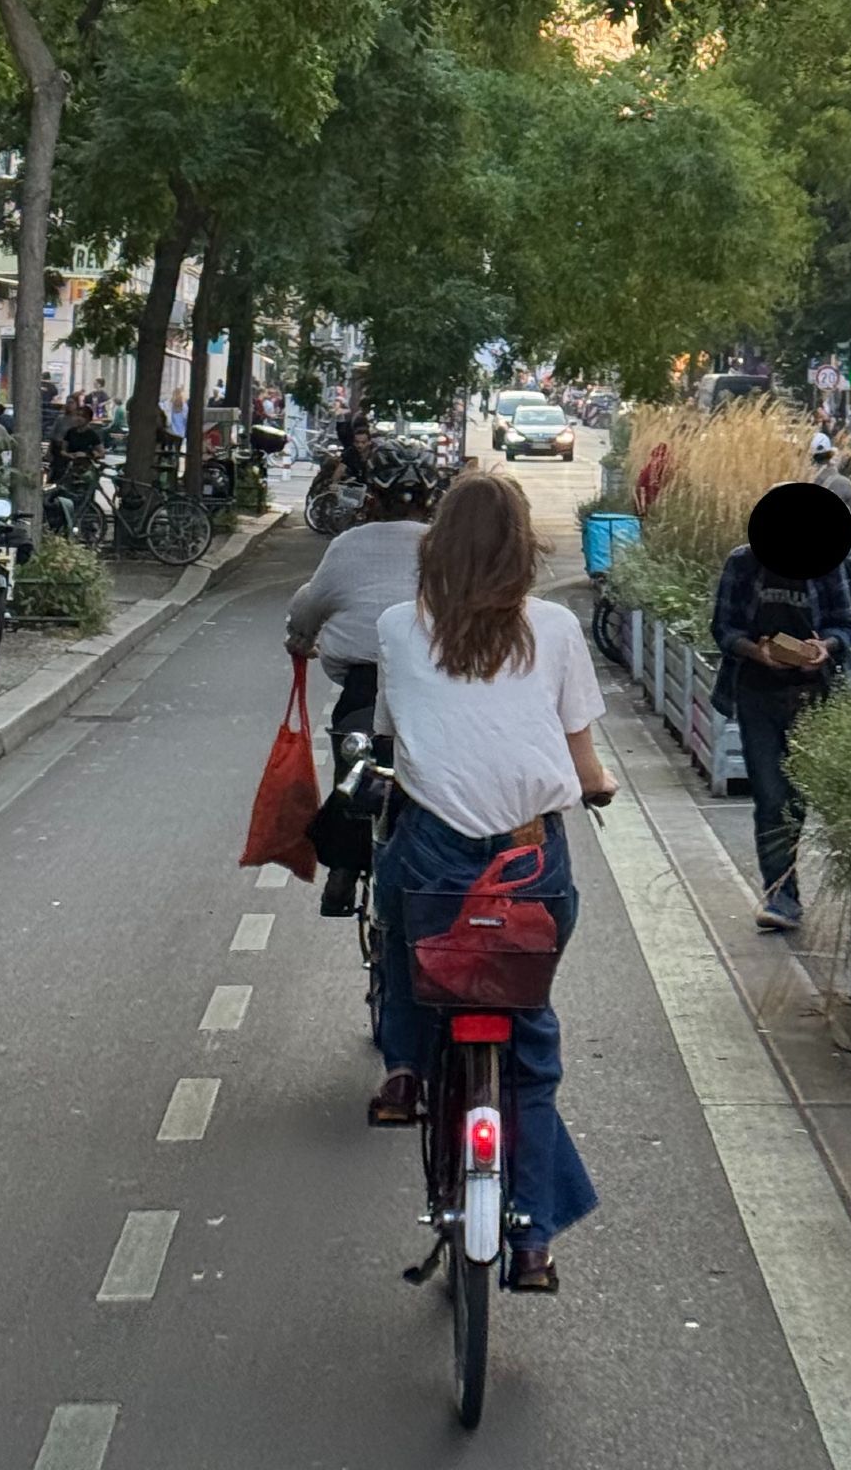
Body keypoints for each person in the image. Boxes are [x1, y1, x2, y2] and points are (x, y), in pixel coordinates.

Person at [367, 472, 610, 1293]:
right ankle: (534, 1242)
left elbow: (395, 736)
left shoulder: (400, 627)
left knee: (402, 930)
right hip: (528, 860)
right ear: (523, 550)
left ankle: (404, 1068)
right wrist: (598, 786)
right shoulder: (556, 628)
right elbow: (582, 757)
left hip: (436, 852)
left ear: (435, 549)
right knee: (529, 1038)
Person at [285, 438, 438, 914]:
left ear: (371, 494)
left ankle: (344, 871)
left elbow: (310, 605)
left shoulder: (347, 545)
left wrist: (300, 640)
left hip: (364, 687)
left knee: (354, 772)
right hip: (435, 688)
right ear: (433, 497)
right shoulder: (446, 548)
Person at [710, 483, 851, 932]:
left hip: (814, 696)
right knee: (772, 797)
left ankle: (785, 885)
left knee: (799, 799)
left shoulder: (827, 568)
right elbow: (723, 626)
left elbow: (846, 625)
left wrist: (825, 646)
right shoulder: (743, 563)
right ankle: (781, 896)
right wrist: (756, 652)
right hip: (758, 694)